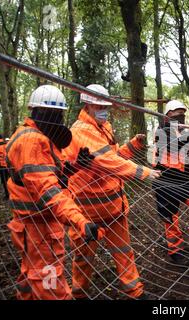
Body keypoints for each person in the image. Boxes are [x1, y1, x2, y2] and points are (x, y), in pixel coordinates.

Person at [5, 85, 104, 300]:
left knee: (31, 274)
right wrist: (80, 221)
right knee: (50, 281)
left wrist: (75, 167)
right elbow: (48, 191)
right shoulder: (31, 141)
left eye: (59, 115)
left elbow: (49, 175)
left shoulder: (40, 136)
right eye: (53, 114)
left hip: (39, 224)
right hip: (38, 227)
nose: (58, 120)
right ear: (38, 113)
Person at [63, 84, 160, 300]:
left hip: (114, 207)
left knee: (124, 252)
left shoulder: (103, 126)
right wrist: (141, 171)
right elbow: (106, 161)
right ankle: (78, 295)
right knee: (83, 258)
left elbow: (114, 156)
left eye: (106, 105)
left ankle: (135, 292)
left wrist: (133, 146)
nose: (104, 109)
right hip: (88, 212)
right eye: (99, 105)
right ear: (88, 105)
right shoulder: (81, 131)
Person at [152, 100, 189, 265]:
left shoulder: (183, 130)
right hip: (164, 178)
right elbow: (172, 147)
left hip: (182, 179)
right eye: (176, 112)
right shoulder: (162, 130)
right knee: (170, 216)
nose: (181, 115)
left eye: (182, 112)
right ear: (168, 114)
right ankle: (175, 250)